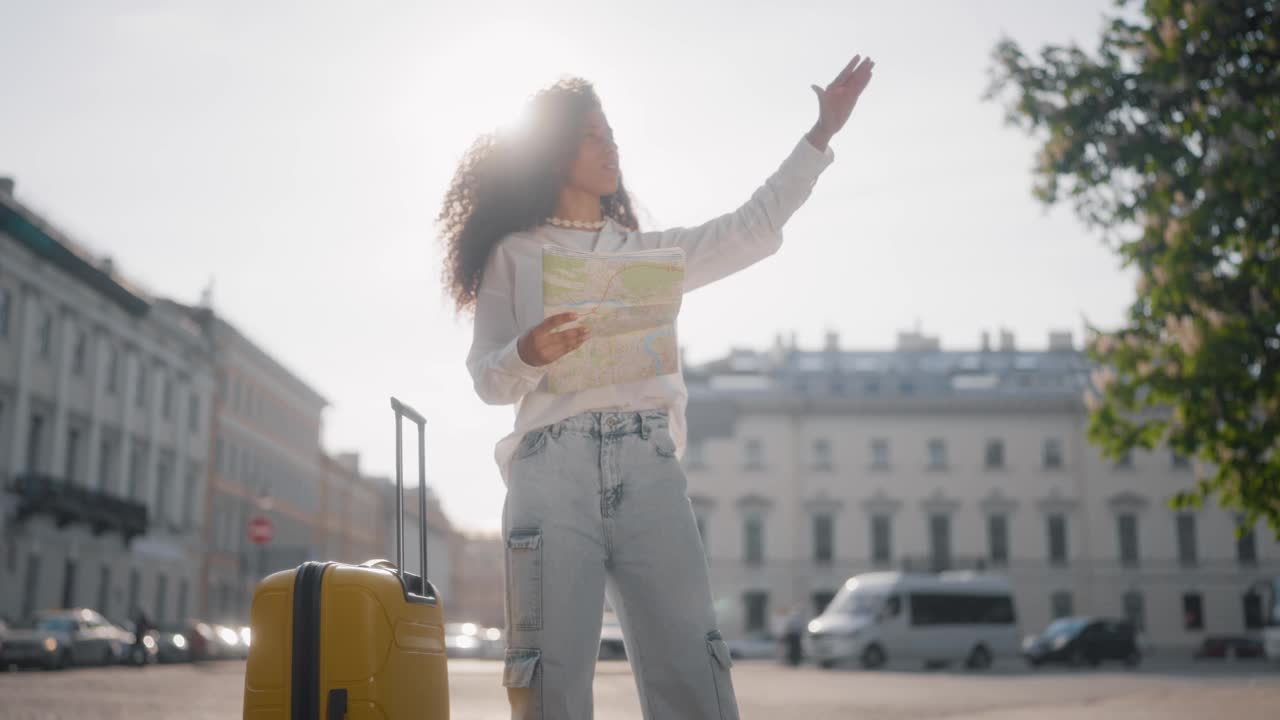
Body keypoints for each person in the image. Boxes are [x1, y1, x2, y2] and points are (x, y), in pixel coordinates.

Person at [441, 55, 874, 720]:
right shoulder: (513, 255)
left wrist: (820, 137)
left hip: (649, 467)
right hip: (550, 467)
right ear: (554, 152)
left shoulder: (650, 255)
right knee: (549, 675)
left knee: (690, 664)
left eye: (612, 132)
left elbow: (751, 229)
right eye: (591, 135)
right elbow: (487, 381)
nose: (609, 145)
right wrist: (530, 351)